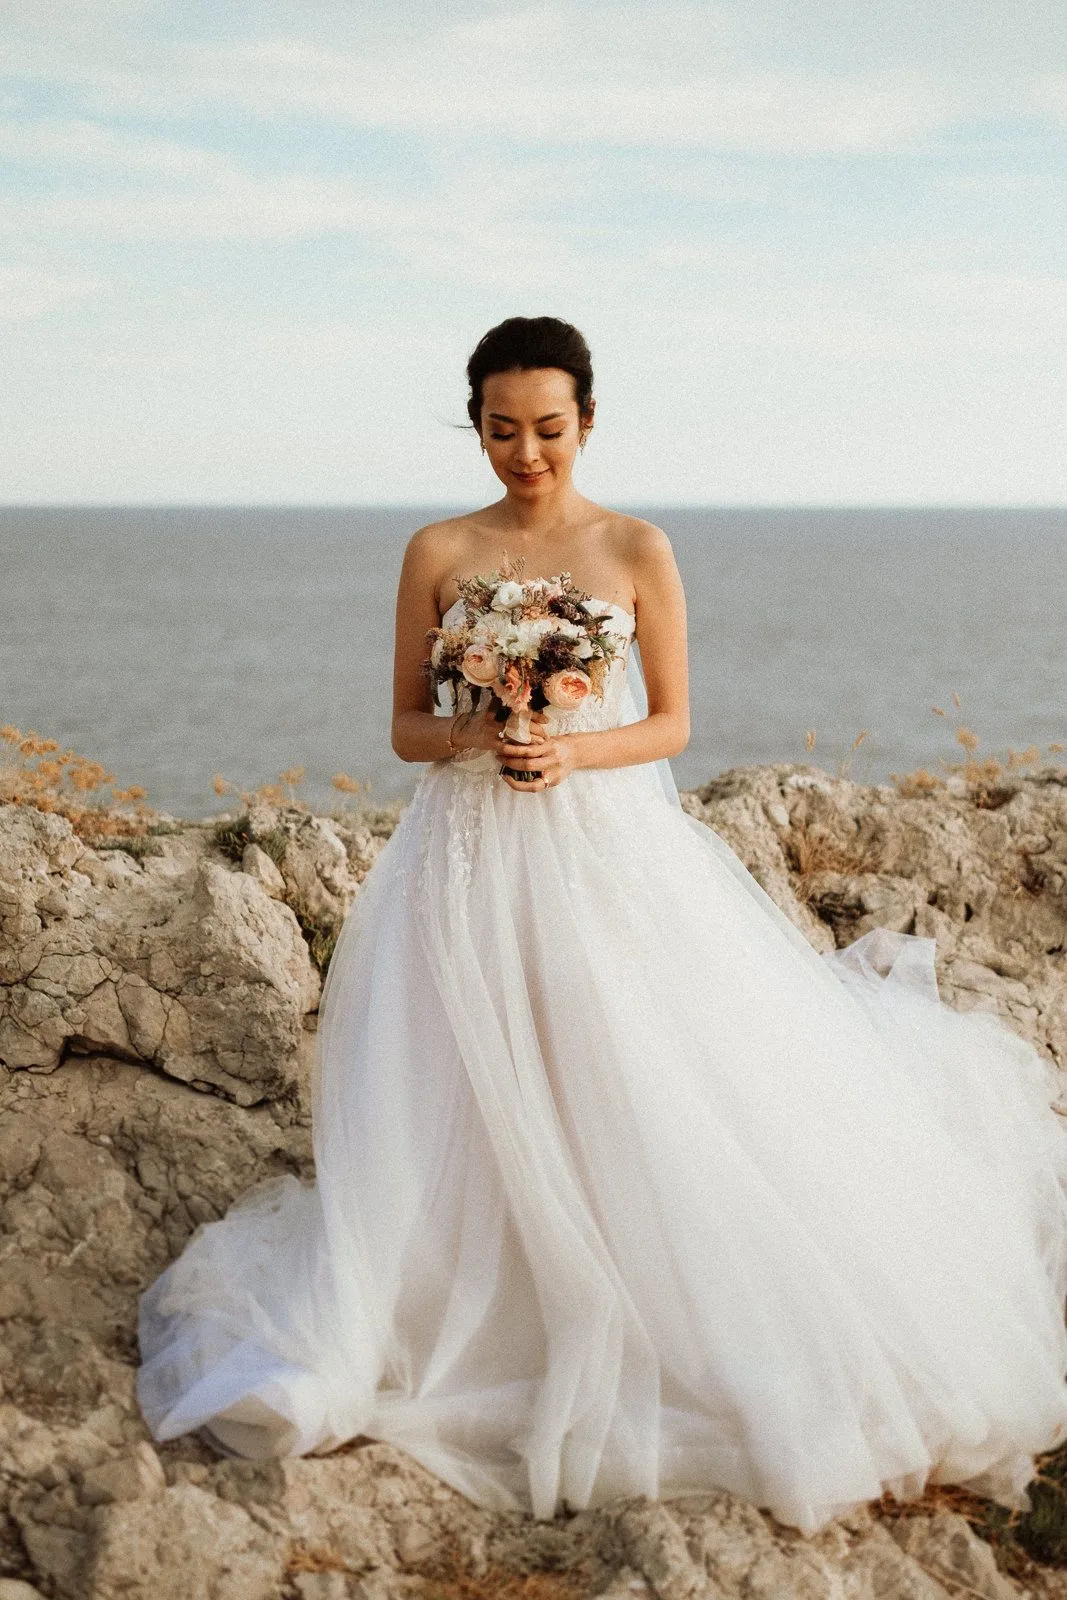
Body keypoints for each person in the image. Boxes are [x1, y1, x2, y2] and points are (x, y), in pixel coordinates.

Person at [136, 315, 1067, 1538]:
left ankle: (631, 1301)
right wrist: (485, 732)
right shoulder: (437, 548)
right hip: (460, 853)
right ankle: (467, 1295)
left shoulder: (634, 545)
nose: (526, 451)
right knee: (457, 1071)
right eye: (501, 427)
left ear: (586, 422)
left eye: (549, 428)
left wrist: (564, 744)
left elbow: (673, 722)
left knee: (624, 1065)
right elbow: (409, 729)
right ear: (473, 423)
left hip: (600, 845)